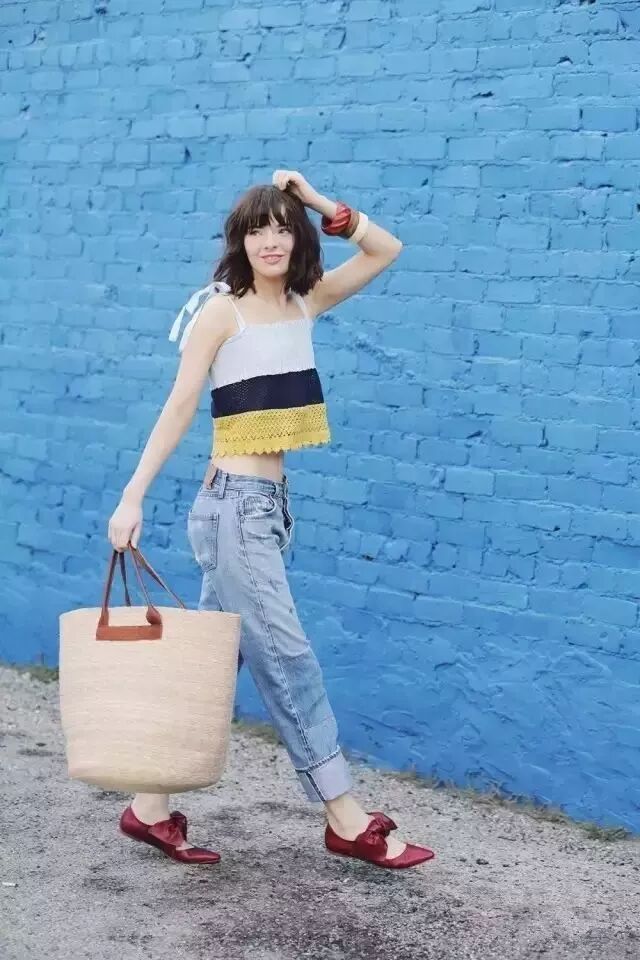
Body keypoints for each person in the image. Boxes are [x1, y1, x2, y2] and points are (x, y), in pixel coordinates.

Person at [108, 170, 435, 870]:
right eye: (257, 229)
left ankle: (149, 807)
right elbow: (179, 404)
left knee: (208, 669)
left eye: (283, 228)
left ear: (298, 238)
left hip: (266, 509)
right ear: (240, 241)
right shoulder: (221, 313)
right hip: (234, 509)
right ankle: (345, 816)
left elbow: (386, 249)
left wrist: (316, 200)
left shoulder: (304, 302)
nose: (270, 240)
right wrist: (133, 495)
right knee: (290, 660)